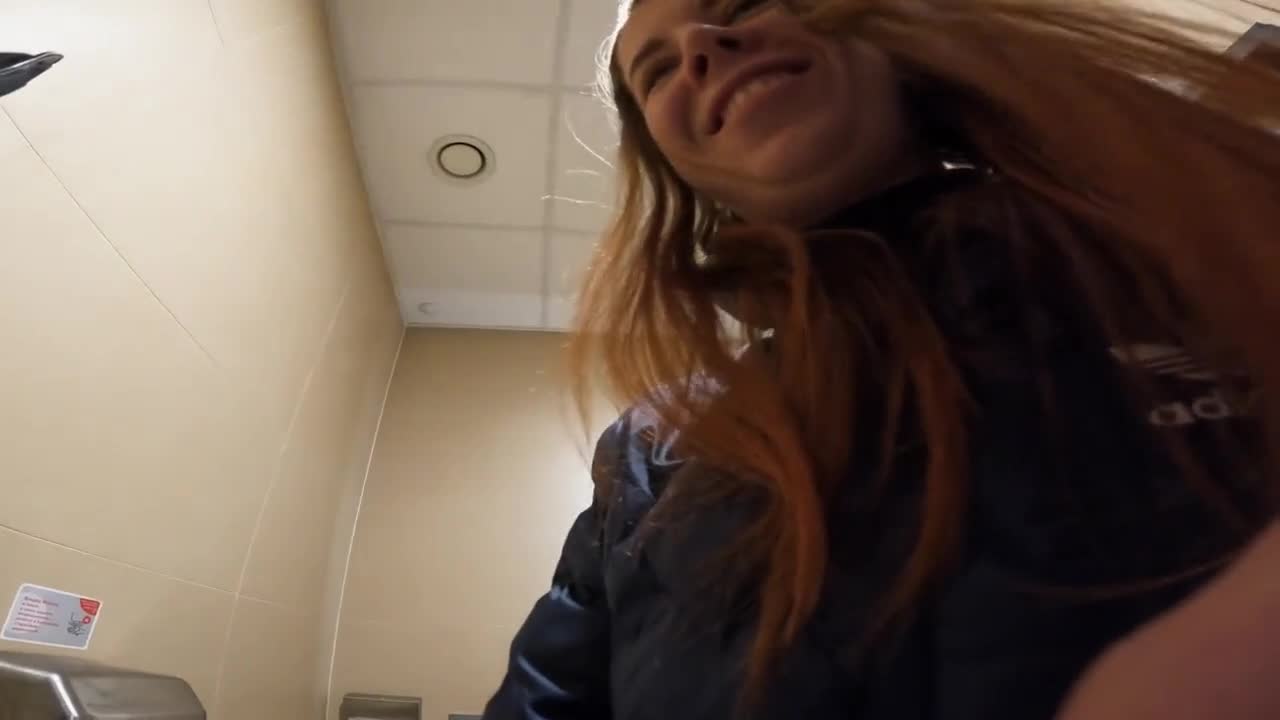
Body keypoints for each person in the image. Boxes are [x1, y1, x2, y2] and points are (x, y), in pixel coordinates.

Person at [484, 1, 1280, 718]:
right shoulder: (651, 451)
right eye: (657, 70)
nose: (701, 46)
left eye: (746, 5)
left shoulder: (1186, 268)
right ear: (682, 173)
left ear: (877, 35)